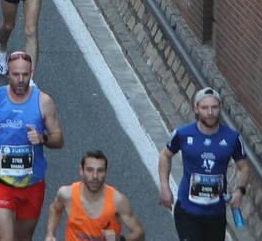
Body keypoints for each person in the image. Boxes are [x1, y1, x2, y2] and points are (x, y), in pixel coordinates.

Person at [0, 52, 64, 241]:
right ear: (8, 72)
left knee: (23, 238)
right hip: (0, 180)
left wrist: (43, 139)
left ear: (31, 73)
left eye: (25, 74)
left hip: (32, 183)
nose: (21, 79)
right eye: (16, 74)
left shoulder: (44, 102)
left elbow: (59, 139)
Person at [158, 88, 250, 241]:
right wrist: (164, 186)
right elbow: (165, 156)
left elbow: (244, 167)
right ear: (196, 108)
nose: (210, 112)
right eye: (205, 107)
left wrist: (240, 191)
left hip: (216, 213)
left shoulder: (232, 138)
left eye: (214, 107)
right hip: (188, 210)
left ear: (220, 108)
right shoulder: (182, 134)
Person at [43, 150, 146, 241]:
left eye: (100, 171)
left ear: (106, 172)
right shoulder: (67, 194)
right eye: (89, 170)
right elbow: (55, 209)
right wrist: (50, 234)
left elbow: (140, 234)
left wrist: (120, 239)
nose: (95, 176)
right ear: (81, 171)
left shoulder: (118, 201)